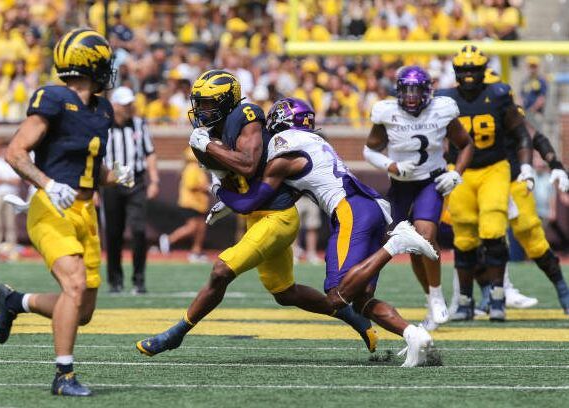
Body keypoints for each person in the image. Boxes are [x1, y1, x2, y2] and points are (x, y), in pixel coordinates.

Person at [136, 70, 379, 358]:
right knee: (284, 292)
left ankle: (175, 334)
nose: (201, 111)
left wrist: (212, 154)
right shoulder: (210, 133)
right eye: (198, 104)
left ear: (227, 102)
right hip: (256, 216)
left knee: (221, 271)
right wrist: (217, 176)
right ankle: (356, 319)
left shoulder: (246, 115)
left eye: (208, 104)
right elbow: (232, 177)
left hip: (277, 217)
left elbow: (249, 165)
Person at [215, 97, 440, 367]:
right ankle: (414, 335)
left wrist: (220, 190)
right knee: (360, 299)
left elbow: (251, 202)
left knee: (336, 295)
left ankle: (397, 243)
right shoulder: (315, 144)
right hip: (370, 207)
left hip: (350, 210)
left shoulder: (282, 150)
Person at [0, 28, 133, 396]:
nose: (109, 70)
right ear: (91, 65)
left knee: (82, 310)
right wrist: (48, 184)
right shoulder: (52, 98)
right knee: (73, 284)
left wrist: (117, 176)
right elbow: (16, 152)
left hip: (85, 212)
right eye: (104, 63)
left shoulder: (101, 109)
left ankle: (16, 301)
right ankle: (63, 375)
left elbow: (92, 171)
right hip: (51, 206)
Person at [363, 66, 474, 331]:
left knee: (425, 235)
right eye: (406, 90)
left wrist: (456, 173)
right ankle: (366, 296)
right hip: (401, 186)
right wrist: (390, 165)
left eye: (416, 90)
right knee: (399, 243)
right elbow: (370, 150)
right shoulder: (387, 112)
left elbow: (466, 144)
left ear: (428, 91)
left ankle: (436, 298)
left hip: (430, 182)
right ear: (398, 91)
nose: (411, 96)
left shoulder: (443, 109)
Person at [435, 45, 533, 321]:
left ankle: (498, 296)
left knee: (492, 230)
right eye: (463, 70)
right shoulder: (444, 99)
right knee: (464, 237)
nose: (468, 75)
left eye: (473, 69)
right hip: (461, 171)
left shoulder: (498, 95)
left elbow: (521, 134)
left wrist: (525, 166)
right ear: (456, 71)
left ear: (482, 70)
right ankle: (466, 301)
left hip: (493, 168)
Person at [102, 86, 159, 294]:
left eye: (130, 104)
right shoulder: (103, 125)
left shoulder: (138, 123)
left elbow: (150, 152)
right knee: (114, 233)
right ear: (114, 105)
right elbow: (96, 156)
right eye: (124, 104)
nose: (128, 107)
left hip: (136, 182)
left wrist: (154, 180)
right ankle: (115, 281)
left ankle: (139, 280)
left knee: (138, 231)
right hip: (111, 182)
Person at [159, 146, 209, 263]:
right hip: (190, 203)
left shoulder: (198, 168)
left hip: (199, 203)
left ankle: (196, 251)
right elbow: (191, 185)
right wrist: (206, 187)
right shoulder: (192, 168)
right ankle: (169, 239)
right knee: (192, 227)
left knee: (201, 228)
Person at [0, 140, 21, 261]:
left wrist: (1, 180)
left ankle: (12, 254)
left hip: (12, 197)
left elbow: (17, 181)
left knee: (11, 225)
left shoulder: (14, 163)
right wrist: (7, 180)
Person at [293, 195, 322, 264]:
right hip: (296, 195)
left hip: (311, 195)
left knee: (312, 227)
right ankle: (294, 254)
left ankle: (311, 254)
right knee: (294, 226)